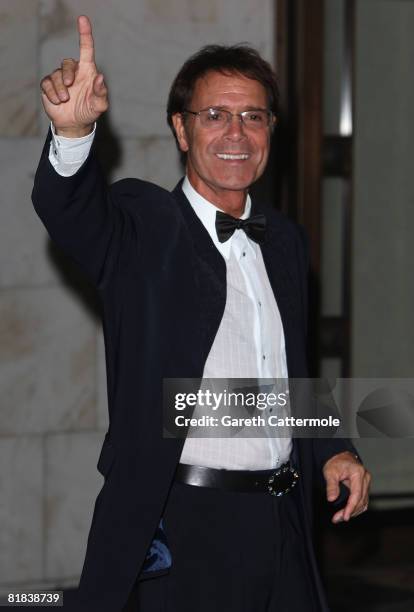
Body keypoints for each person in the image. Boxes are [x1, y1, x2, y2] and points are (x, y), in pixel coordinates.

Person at [33, 15, 371, 612]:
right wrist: (75, 131)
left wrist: (333, 447)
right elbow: (72, 210)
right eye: (214, 115)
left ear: (271, 131)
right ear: (181, 131)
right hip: (184, 529)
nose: (236, 133)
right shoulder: (143, 227)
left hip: (283, 522)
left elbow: (293, 375)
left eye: (253, 116)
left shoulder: (287, 241)